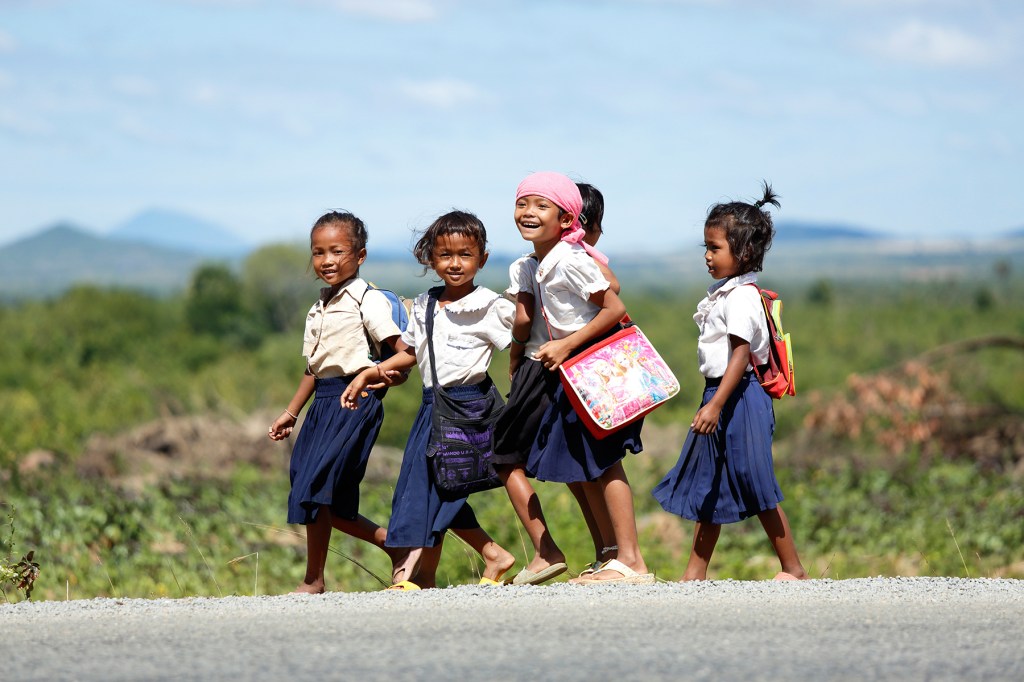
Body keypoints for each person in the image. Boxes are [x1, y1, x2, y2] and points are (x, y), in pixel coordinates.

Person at [341, 210, 516, 590]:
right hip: (431, 406)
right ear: (431, 259)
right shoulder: (424, 305)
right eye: (445, 255)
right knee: (430, 487)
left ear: (482, 259)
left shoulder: (490, 306)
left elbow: (520, 345)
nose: (455, 264)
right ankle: (462, 565)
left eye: (465, 255)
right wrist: (372, 372)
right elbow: (412, 354)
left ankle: (409, 573)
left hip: (469, 408)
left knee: (430, 488)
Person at [493, 171, 653, 585]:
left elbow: (614, 308)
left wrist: (566, 345)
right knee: (590, 463)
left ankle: (631, 562)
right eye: (522, 203)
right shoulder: (545, 262)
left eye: (540, 205)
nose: (528, 212)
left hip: (588, 365)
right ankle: (612, 557)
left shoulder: (570, 259)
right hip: (571, 370)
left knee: (605, 461)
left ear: (567, 219)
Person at [652, 182, 808, 581]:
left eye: (715, 248)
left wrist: (716, 405)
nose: (707, 256)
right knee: (710, 480)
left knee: (754, 479)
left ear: (745, 253)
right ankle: (694, 573)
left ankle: (793, 568)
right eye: (705, 247)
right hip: (720, 393)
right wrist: (712, 400)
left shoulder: (741, 298)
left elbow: (740, 356)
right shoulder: (724, 294)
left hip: (739, 397)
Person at [268, 210, 404, 594]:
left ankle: (316, 578)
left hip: (354, 400)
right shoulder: (320, 306)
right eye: (318, 252)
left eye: (337, 251)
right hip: (322, 403)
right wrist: (290, 412)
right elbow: (313, 369)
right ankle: (390, 547)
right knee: (311, 494)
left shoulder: (368, 300)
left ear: (359, 256)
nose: (326, 261)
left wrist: (371, 376)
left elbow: (403, 352)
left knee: (317, 488)